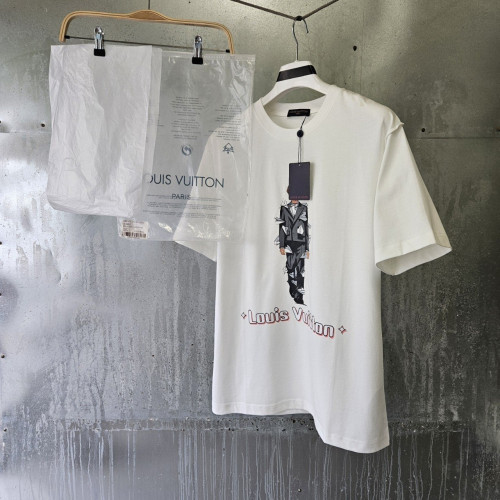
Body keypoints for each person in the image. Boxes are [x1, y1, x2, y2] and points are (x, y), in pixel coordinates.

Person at [276, 197, 310, 304]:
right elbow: (281, 227)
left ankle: (299, 296)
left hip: (301, 243)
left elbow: (306, 227)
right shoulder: (284, 209)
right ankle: (292, 288)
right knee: (290, 267)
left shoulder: (304, 208)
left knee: (300, 269)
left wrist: (307, 248)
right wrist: (282, 245)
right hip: (289, 243)